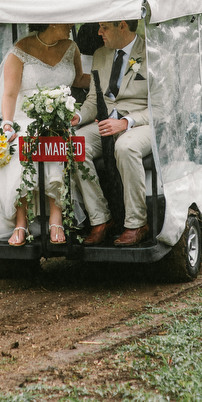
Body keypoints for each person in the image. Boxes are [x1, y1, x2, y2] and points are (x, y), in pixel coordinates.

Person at [0, 23, 82, 246]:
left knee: (56, 138)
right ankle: (20, 220)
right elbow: (10, 94)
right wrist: (7, 124)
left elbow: (80, 79)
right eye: (67, 22)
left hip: (61, 118)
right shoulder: (19, 51)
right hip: (25, 117)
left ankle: (56, 217)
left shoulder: (72, 47)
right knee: (21, 143)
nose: (72, 25)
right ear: (52, 22)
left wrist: (111, 77)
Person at [70, 19, 153, 246]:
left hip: (143, 122)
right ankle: (100, 219)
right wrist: (78, 117)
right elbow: (94, 99)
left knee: (125, 147)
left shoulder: (152, 52)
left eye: (104, 27)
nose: (99, 32)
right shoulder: (100, 54)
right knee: (75, 143)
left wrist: (127, 122)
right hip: (107, 121)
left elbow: (161, 107)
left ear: (122, 26)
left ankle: (137, 224)